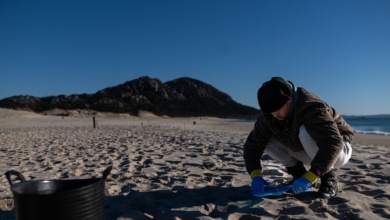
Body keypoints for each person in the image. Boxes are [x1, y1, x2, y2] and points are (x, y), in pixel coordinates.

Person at [243, 77, 354, 198]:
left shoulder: (309, 105)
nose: (275, 115)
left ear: (289, 99)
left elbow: (333, 141)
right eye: (271, 112)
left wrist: (312, 175)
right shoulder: (269, 115)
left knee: (304, 131)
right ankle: (298, 174)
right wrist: (256, 174)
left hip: (339, 150)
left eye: (277, 110)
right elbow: (252, 145)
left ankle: (328, 177)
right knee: (266, 139)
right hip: (308, 150)